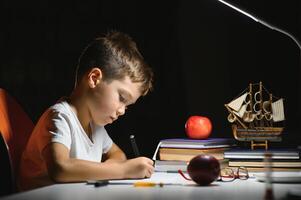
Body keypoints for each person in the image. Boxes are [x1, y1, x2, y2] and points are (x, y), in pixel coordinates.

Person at [18, 31, 154, 191]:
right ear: (94, 78)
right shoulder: (60, 117)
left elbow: (119, 155)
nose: (122, 111)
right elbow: (61, 168)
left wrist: (107, 170)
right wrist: (123, 170)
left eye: (127, 105)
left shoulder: (95, 127)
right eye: (122, 98)